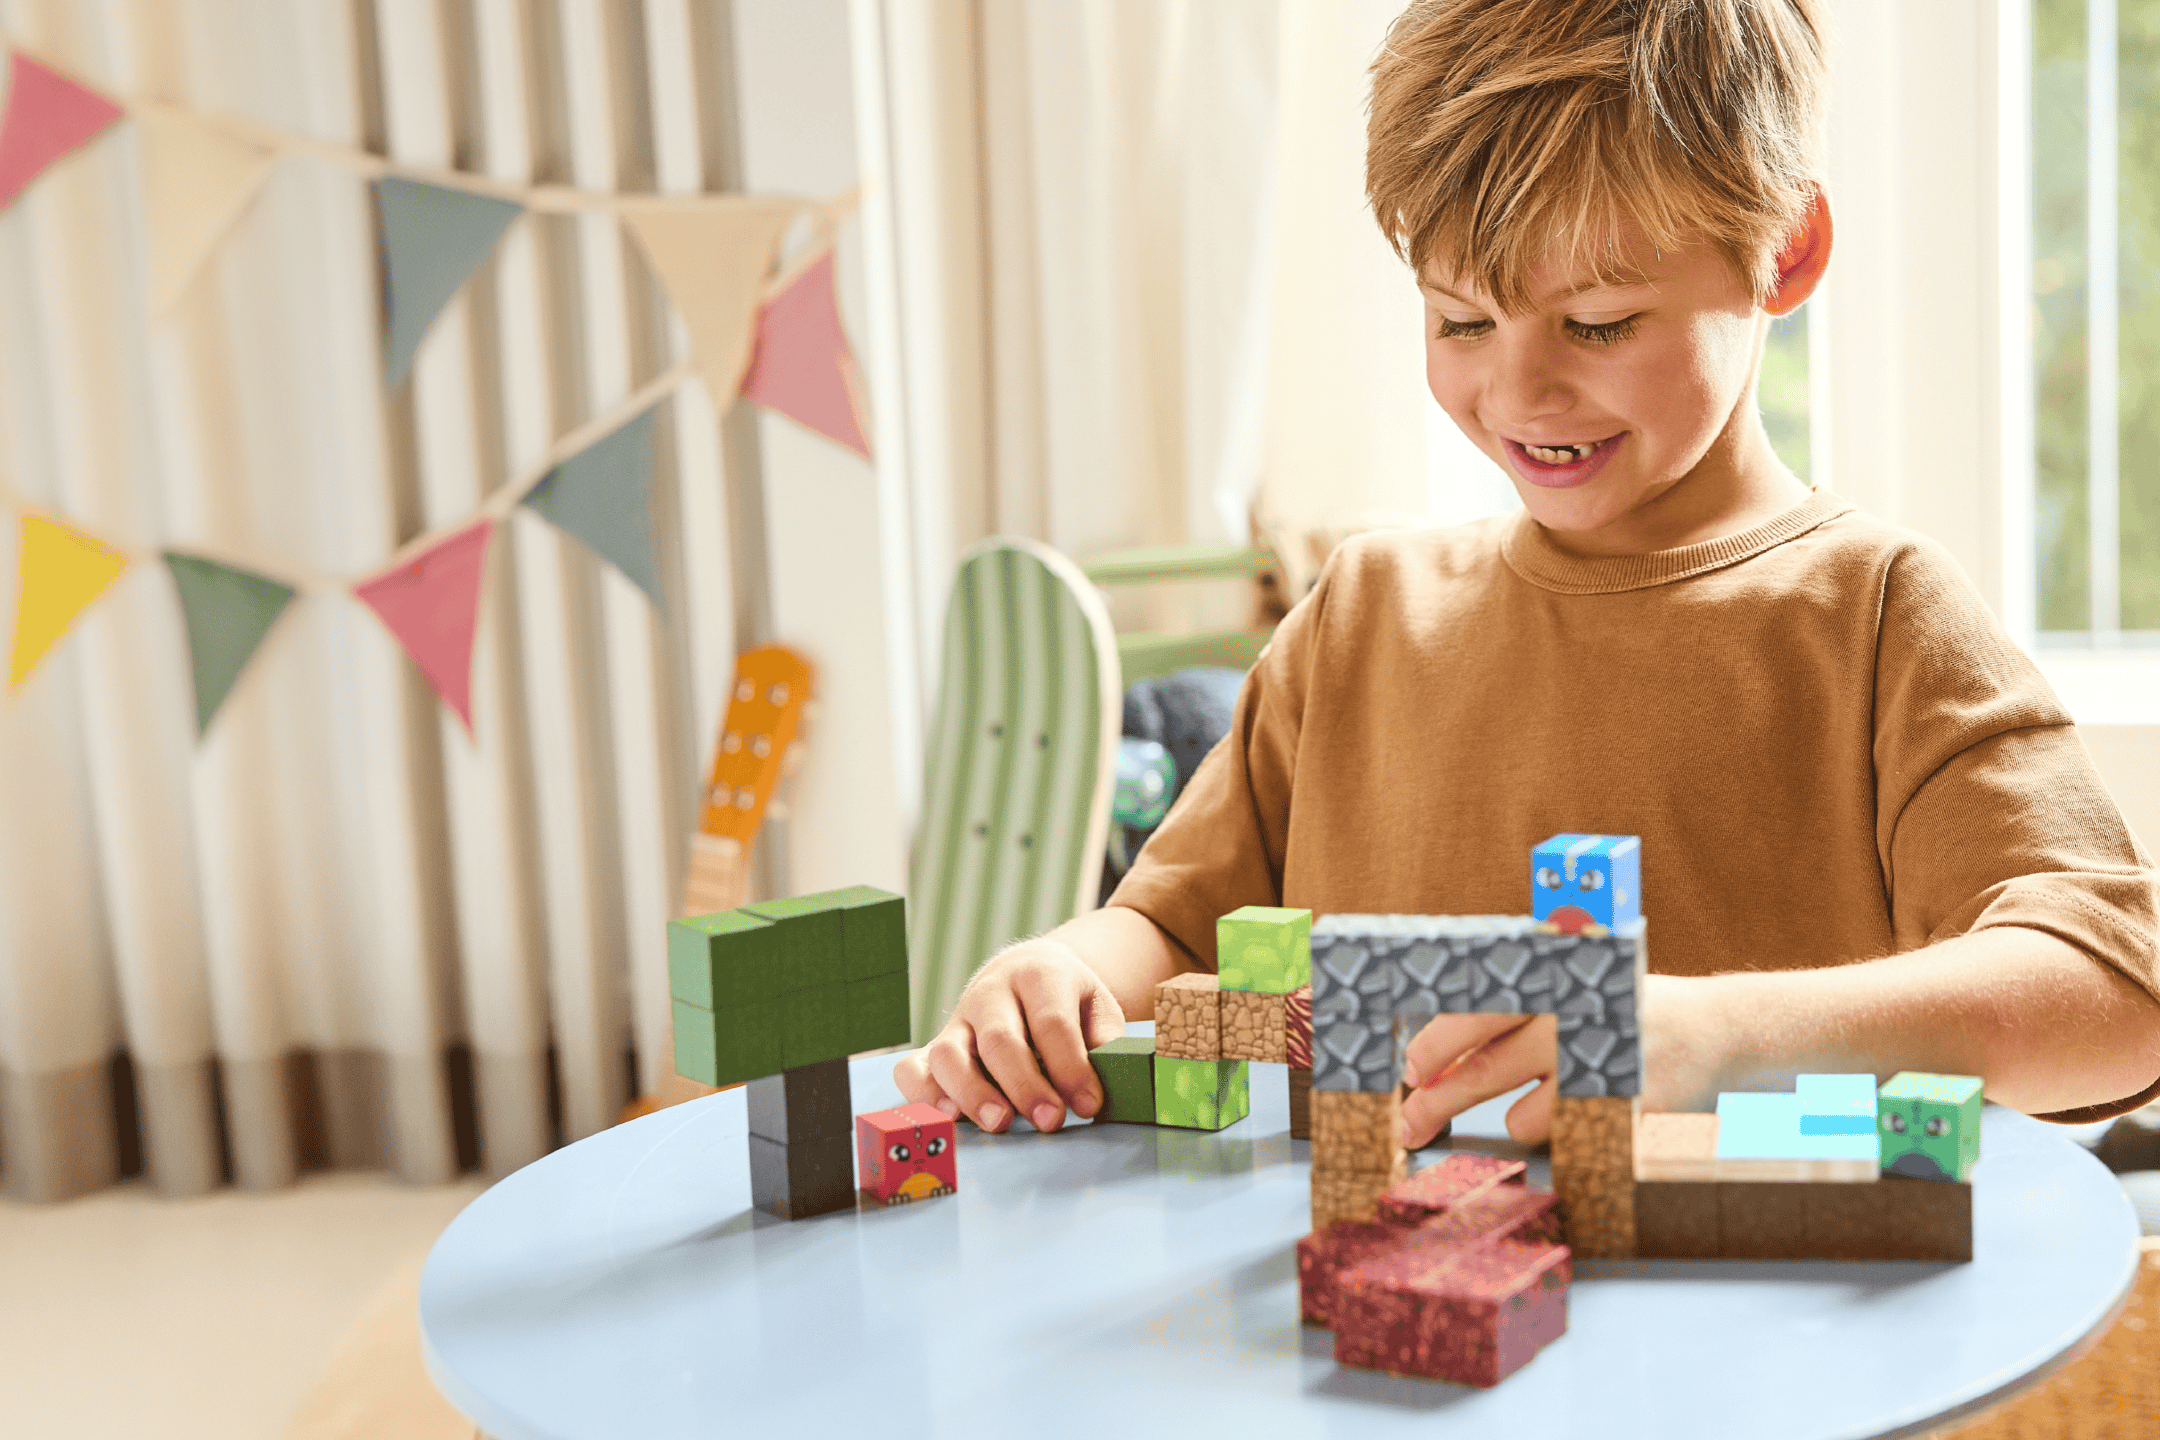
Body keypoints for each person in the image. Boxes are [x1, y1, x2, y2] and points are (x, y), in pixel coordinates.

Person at [895, 0, 2160, 1148]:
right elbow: (1173, 931)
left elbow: (2116, 990)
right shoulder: (1361, 616)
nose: (1518, 391)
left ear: (1783, 249)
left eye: (1599, 323)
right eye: (1459, 320)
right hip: (1379, 1352)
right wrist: (1055, 971)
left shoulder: (1876, 612)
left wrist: (1712, 1040)